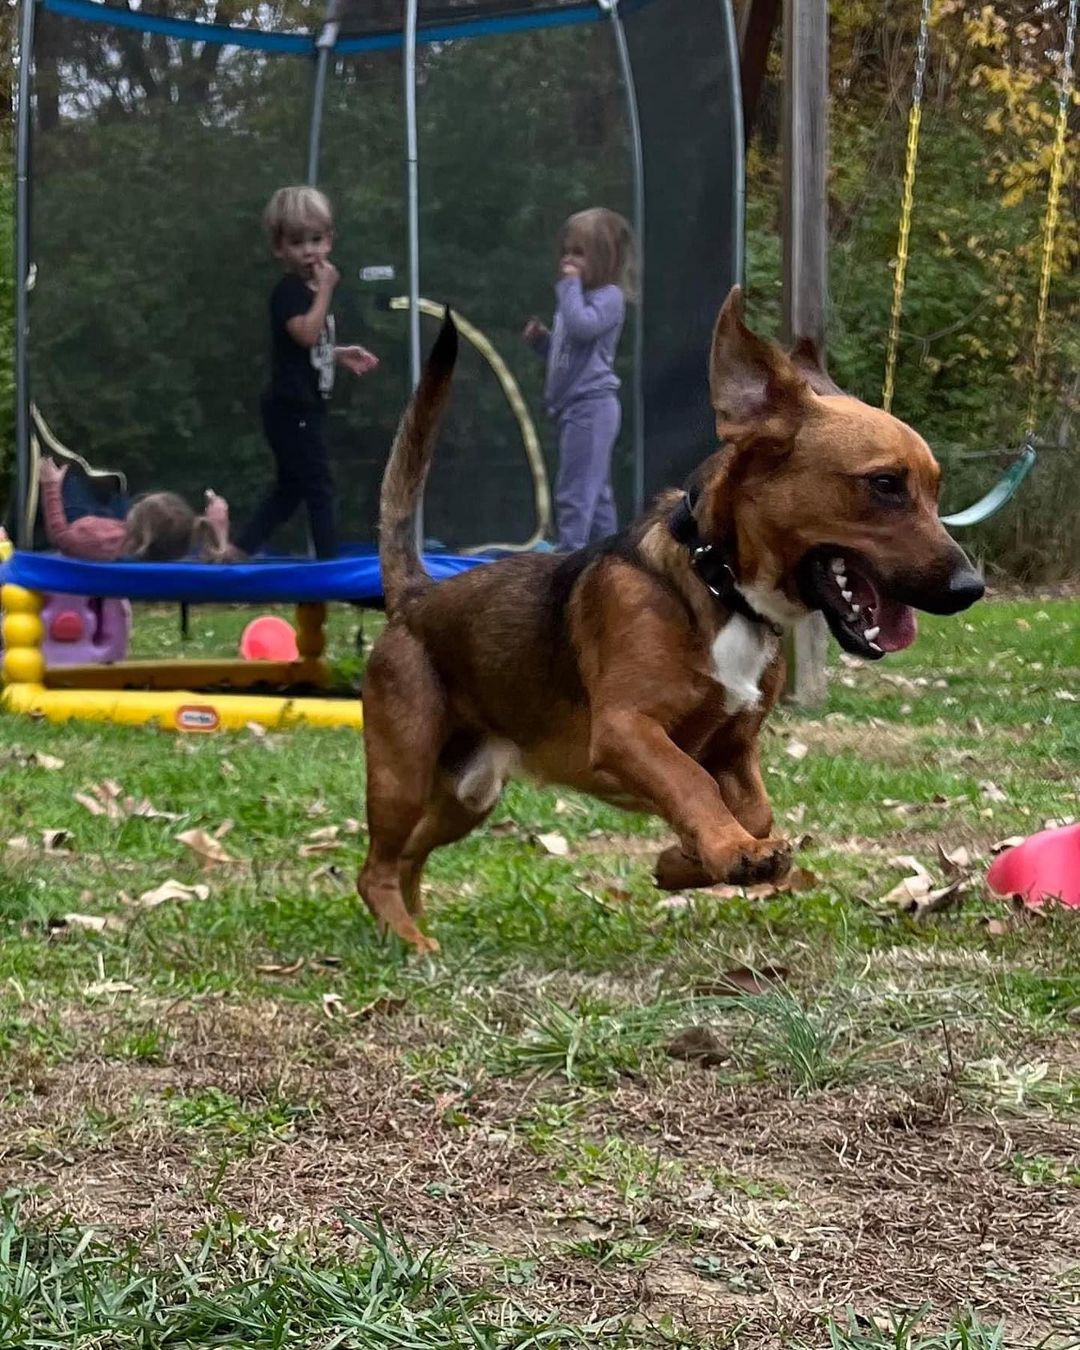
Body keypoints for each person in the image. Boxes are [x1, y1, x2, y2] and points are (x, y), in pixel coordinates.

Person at [236, 186, 379, 561]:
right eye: (298, 242)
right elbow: (304, 334)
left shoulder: (311, 292)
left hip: (304, 406)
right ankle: (329, 565)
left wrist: (339, 353)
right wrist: (326, 292)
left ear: (329, 241)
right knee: (318, 485)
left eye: (316, 240)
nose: (309, 251)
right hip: (290, 408)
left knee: (290, 489)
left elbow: (310, 347)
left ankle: (238, 549)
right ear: (279, 248)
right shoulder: (290, 291)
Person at [523, 207, 637, 553]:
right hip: (577, 407)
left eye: (579, 254)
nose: (568, 262)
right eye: (566, 253)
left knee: (575, 491)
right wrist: (542, 341)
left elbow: (582, 327)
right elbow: (569, 353)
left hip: (592, 407)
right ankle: (608, 556)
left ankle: (568, 554)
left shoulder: (609, 299)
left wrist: (569, 287)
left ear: (604, 259)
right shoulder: (579, 301)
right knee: (596, 492)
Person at [38, 457, 235, 562]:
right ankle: (110, 492)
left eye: (139, 506)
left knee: (72, 479)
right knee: (116, 495)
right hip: (116, 531)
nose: (137, 503)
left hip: (85, 528)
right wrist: (218, 527)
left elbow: (61, 536)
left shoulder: (99, 540)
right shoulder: (179, 550)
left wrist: (50, 485)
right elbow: (219, 554)